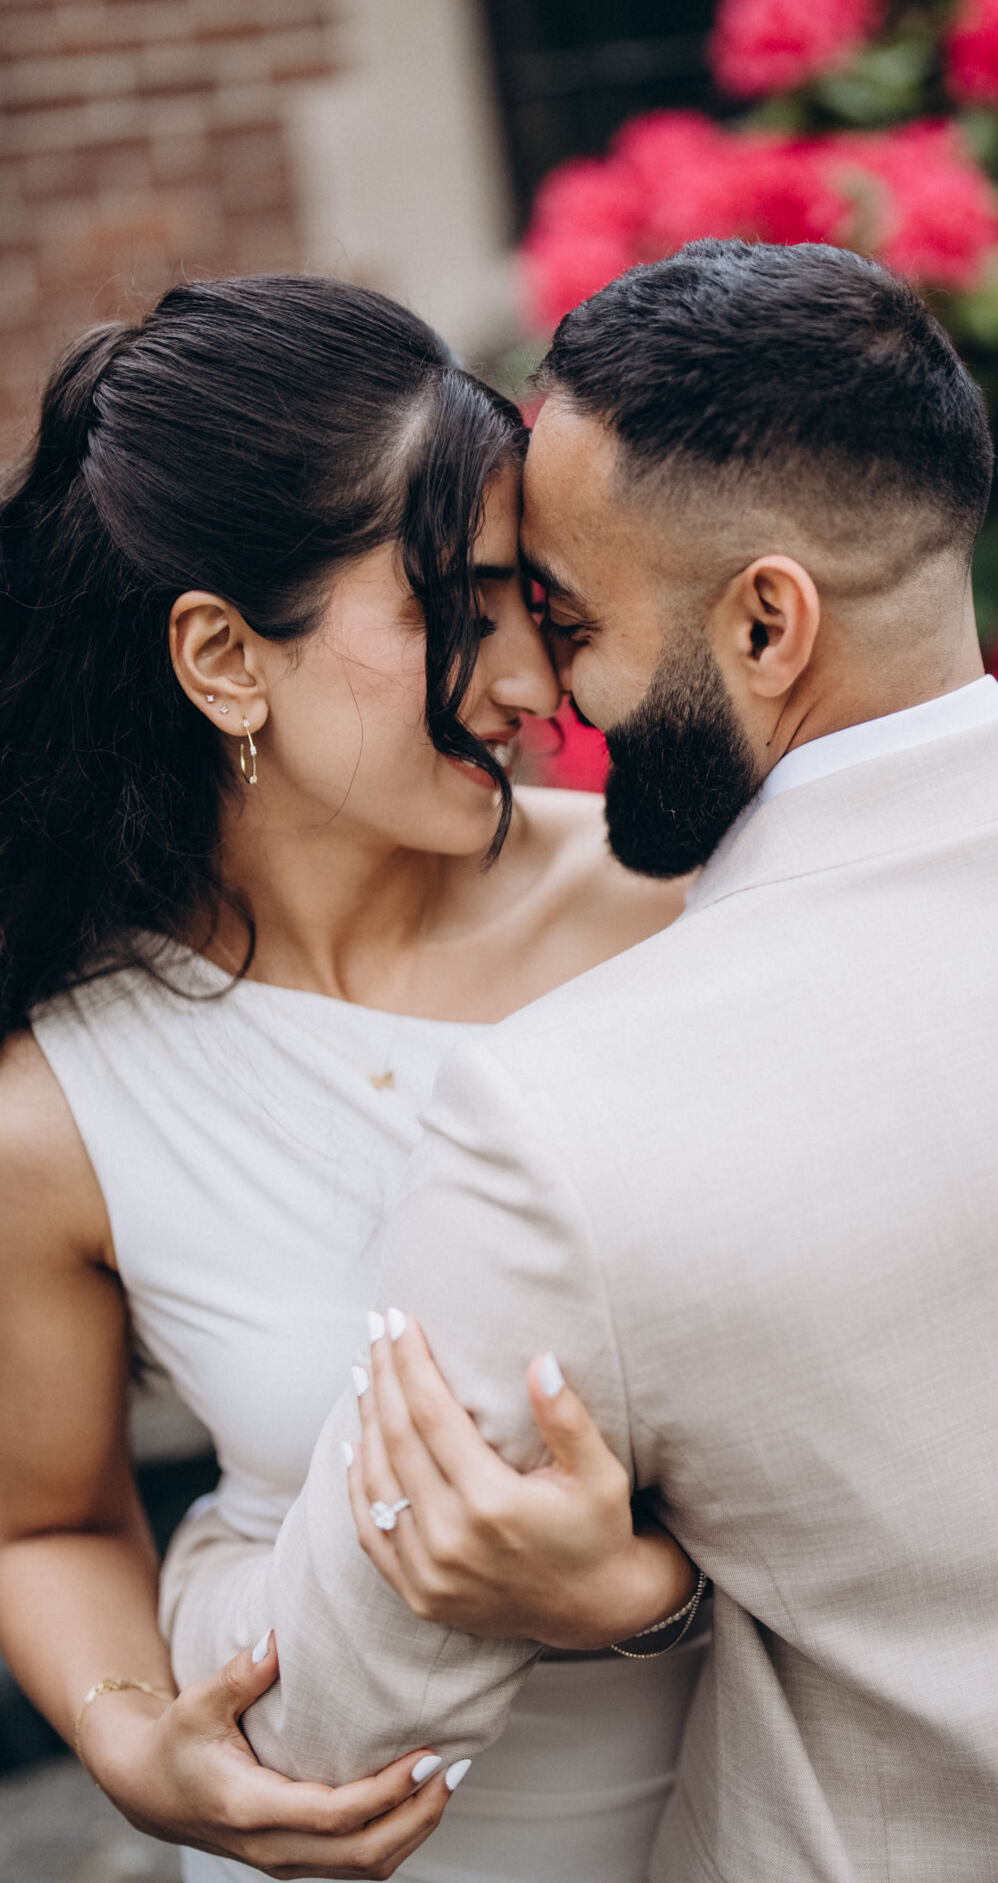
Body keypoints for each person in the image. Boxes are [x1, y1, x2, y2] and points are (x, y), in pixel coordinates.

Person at [163, 239, 998, 1882]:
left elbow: (318, 1738)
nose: (548, 691)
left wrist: (219, 1542)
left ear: (768, 623)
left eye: (567, 617)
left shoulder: (560, 1119)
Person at [0, 275, 707, 1883]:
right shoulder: (58, 1107)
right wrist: (132, 1742)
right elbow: (46, 1522)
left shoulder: (675, 920)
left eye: (535, 604)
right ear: (223, 657)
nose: (534, 687)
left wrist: (642, 1595)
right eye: (456, 609)